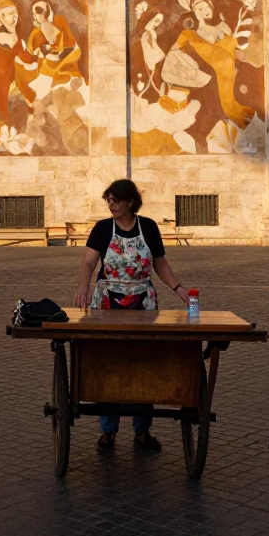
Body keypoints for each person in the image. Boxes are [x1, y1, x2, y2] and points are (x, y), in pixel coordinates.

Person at [73, 179, 190, 453]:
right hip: (107, 303)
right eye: (109, 201)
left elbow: (160, 264)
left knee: (143, 364)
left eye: (116, 201)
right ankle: (107, 431)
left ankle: (142, 431)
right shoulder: (103, 229)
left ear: (129, 202)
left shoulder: (147, 227)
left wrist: (179, 288)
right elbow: (89, 262)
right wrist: (83, 288)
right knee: (109, 362)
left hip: (143, 303)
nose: (112, 205)